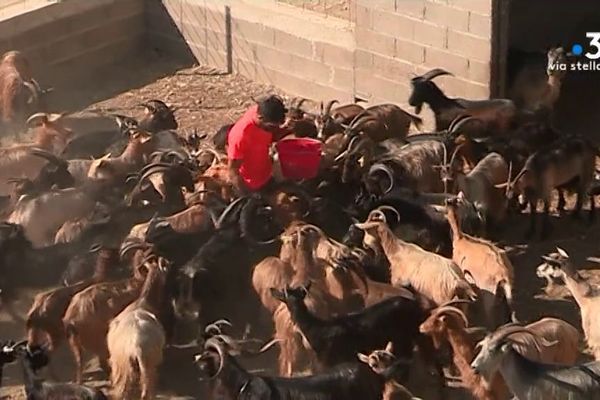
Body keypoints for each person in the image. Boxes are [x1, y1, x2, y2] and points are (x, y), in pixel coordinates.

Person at [227, 95, 290, 195]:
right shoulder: (241, 135)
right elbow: (233, 170)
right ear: (260, 118)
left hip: (268, 175)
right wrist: (246, 195)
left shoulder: (263, 111)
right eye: (271, 127)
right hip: (251, 185)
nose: (274, 130)